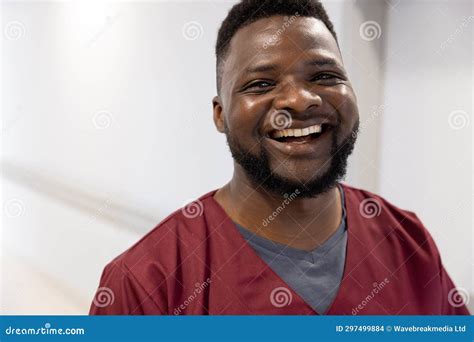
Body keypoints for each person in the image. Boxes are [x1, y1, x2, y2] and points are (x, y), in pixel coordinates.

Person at [90, 0, 469, 315]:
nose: (300, 100)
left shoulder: (408, 243)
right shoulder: (146, 283)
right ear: (220, 114)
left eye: (323, 75)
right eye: (261, 84)